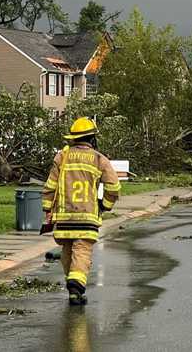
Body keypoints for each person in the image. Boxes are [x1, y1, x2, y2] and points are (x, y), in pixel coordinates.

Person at [42, 117, 120, 305]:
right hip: (86, 217)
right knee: (82, 250)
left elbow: (50, 185)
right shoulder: (99, 159)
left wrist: (47, 209)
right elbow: (114, 187)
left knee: (67, 249)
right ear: (92, 139)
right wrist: (105, 205)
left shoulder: (62, 156)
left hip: (64, 215)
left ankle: (72, 286)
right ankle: (76, 287)